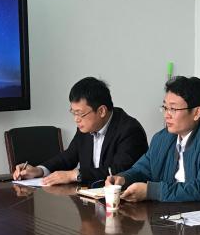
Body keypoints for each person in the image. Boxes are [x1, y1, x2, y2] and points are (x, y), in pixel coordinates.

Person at [106, 76, 200, 203]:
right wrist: (123, 179)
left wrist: (151, 191)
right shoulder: (161, 138)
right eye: (165, 108)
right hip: (168, 212)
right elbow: (142, 169)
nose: (166, 115)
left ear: (196, 113)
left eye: (173, 109)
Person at [12, 77, 148, 186]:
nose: (76, 119)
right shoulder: (86, 126)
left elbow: (120, 171)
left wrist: (74, 175)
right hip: (89, 200)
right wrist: (39, 170)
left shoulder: (129, 130)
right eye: (73, 112)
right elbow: (68, 157)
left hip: (123, 204)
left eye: (80, 114)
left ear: (101, 111)